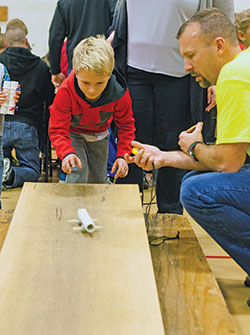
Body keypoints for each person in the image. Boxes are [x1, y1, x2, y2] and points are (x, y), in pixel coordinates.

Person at [126, 8, 250, 306]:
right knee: (199, 180)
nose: (186, 66)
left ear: (219, 46)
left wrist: (193, 146)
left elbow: (227, 163)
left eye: (191, 55)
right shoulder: (241, 66)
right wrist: (164, 158)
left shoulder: (233, 77)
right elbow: (226, 160)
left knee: (195, 191)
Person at [110, 0, 234, 214]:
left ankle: (171, 216)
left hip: (180, 74)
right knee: (130, 144)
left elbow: (223, 22)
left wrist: (216, 75)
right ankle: (125, 213)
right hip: (133, 69)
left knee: (174, 145)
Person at [49, 35, 135, 183]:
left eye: (99, 83)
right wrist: (66, 152)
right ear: (75, 71)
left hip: (100, 135)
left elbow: (126, 126)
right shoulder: (65, 91)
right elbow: (57, 129)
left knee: (98, 179)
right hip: (73, 134)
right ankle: (74, 205)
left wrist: (122, 155)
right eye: (86, 82)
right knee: (77, 174)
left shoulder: (119, 93)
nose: (92, 90)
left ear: (109, 75)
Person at [0, 26, 54, 189]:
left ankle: (5, 167)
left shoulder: (0, 64)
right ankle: (10, 174)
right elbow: (49, 98)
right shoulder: (40, 66)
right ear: (26, 41)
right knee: (32, 170)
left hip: (1, 123)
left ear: (6, 43)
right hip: (26, 126)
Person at [48, 0, 118, 89]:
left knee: (77, 102)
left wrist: (55, 71)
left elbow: (55, 37)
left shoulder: (64, 2)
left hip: (77, 67)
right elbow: (118, 26)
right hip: (104, 66)